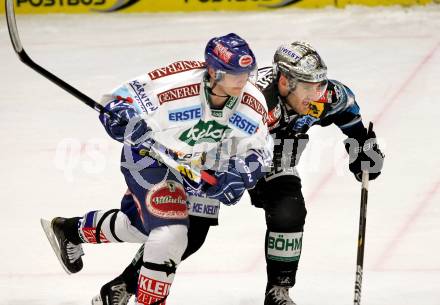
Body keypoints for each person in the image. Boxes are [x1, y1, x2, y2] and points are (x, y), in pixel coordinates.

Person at [91, 41, 385, 305]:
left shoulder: (324, 96)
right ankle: (123, 284)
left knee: (289, 211)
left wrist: (362, 145)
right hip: (221, 158)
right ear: (285, 81)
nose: (316, 95)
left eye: (318, 85)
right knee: (190, 233)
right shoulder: (256, 99)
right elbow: (209, 130)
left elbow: (349, 116)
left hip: (272, 158)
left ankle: (278, 291)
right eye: (308, 87)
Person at [41, 33, 273, 305]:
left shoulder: (251, 101)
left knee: (142, 227)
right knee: (172, 231)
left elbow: (260, 150)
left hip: (188, 165)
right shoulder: (176, 84)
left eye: (246, 73)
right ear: (213, 71)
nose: (243, 80)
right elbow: (118, 100)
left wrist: (240, 174)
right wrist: (123, 118)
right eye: (235, 74)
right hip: (146, 156)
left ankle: (71, 230)